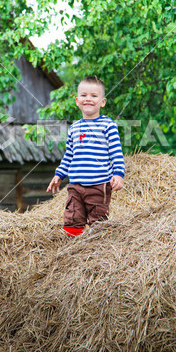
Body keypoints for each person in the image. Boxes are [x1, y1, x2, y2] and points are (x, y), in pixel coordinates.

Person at [46, 76, 125, 237]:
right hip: (75, 186)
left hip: (99, 184)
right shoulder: (74, 128)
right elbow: (69, 155)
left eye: (94, 96)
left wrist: (118, 173)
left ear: (102, 102)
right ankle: (72, 250)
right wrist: (59, 174)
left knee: (98, 221)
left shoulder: (108, 125)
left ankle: (98, 251)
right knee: (72, 218)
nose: (88, 99)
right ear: (77, 100)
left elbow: (116, 152)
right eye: (84, 95)